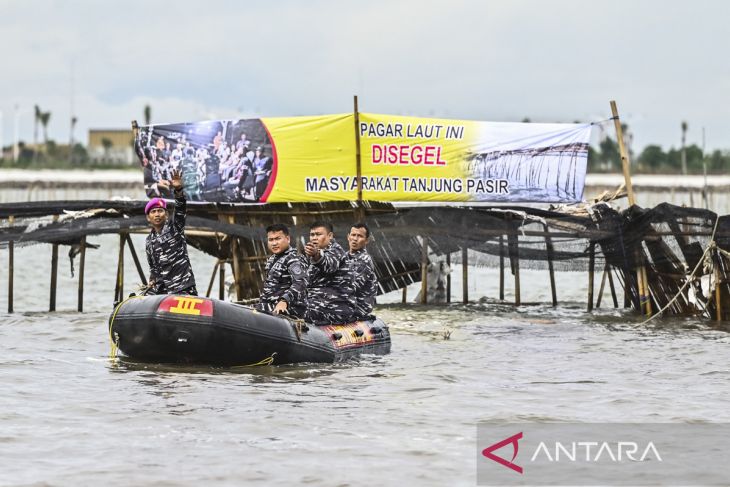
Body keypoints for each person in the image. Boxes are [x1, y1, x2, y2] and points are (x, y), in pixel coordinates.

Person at [144, 169, 197, 295]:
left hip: (182, 287)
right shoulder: (149, 241)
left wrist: (178, 190)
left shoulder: (175, 229)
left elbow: (180, 209)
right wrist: (152, 282)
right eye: (153, 212)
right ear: (148, 217)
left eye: (160, 211)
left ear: (166, 214)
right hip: (162, 291)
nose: (157, 214)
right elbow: (153, 269)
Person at [303, 221, 356, 325]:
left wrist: (316, 255)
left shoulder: (336, 251)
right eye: (312, 235)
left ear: (330, 236)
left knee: (294, 311)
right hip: (318, 306)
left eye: (318, 234)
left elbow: (329, 265)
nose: (314, 238)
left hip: (335, 309)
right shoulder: (313, 255)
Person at [256, 223, 308, 318]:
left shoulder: (293, 258)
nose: (274, 243)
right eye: (271, 240)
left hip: (289, 308)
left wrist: (284, 301)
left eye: (278, 239)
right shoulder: (272, 259)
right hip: (270, 306)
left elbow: (301, 283)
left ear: (287, 239)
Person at [346, 223, 377, 320]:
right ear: (348, 237)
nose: (355, 239)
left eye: (359, 236)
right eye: (353, 235)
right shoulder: (344, 257)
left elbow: (351, 288)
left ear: (366, 240)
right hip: (346, 303)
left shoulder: (364, 260)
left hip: (359, 308)